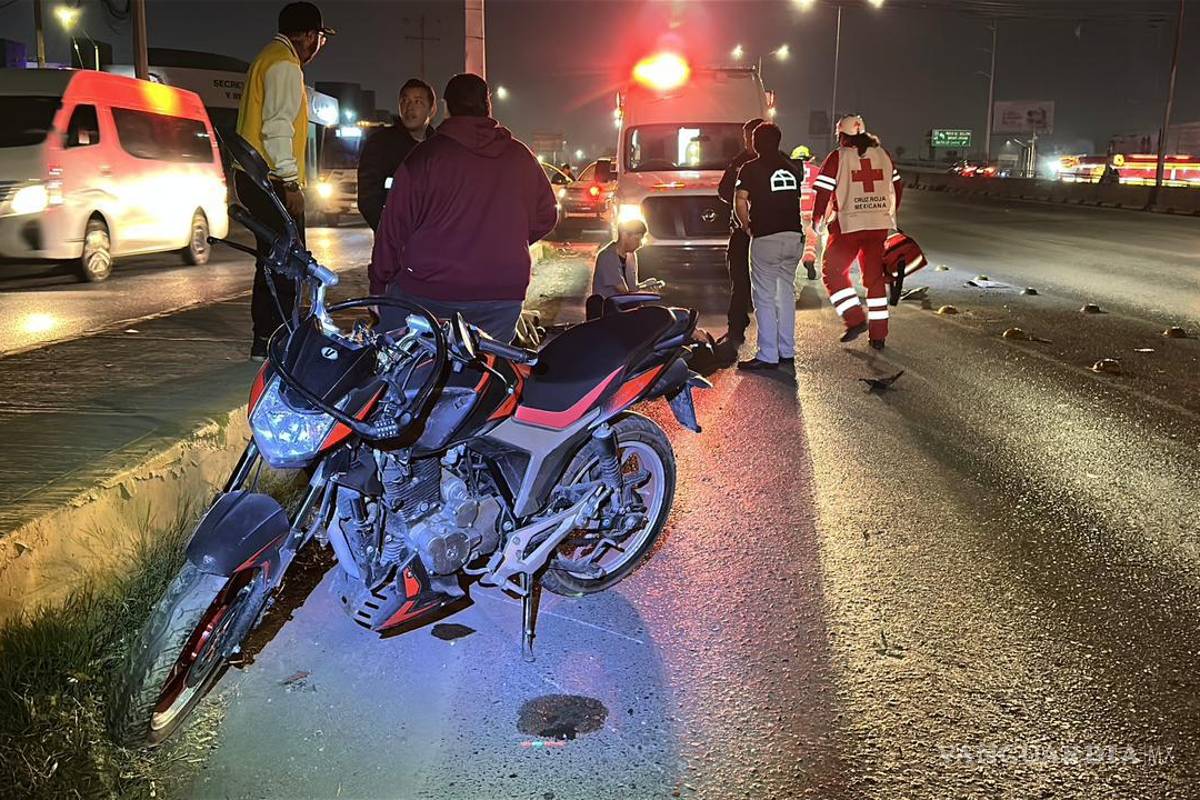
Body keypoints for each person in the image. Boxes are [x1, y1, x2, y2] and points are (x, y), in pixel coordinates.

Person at [370, 73, 557, 343]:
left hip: (428, 294)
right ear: (488, 105)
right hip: (502, 295)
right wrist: (506, 241)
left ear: (446, 107)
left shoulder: (425, 158)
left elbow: (393, 229)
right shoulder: (521, 157)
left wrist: (378, 286)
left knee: (412, 372)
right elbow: (547, 215)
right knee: (487, 374)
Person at [236, 1, 333, 360]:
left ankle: (266, 342)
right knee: (287, 264)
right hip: (271, 180)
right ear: (310, 36)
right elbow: (276, 128)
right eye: (321, 39)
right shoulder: (285, 66)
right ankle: (277, 342)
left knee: (273, 262)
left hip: (255, 176)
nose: (319, 47)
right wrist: (290, 183)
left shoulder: (266, 58)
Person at [812, 114, 904, 350]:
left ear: (841, 135)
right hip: (878, 225)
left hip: (848, 226)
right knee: (874, 279)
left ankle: (854, 318)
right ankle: (879, 335)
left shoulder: (838, 157)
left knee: (832, 272)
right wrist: (889, 212)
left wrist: (817, 218)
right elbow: (897, 185)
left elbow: (823, 191)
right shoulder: (883, 155)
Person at [732, 122, 805, 372]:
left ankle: (767, 354)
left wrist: (745, 225)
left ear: (755, 143)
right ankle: (786, 350)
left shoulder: (750, 168)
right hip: (794, 237)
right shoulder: (792, 168)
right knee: (785, 294)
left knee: (763, 297)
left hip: (767, 238)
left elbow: (740, 199)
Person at [357, 78, 437, 231]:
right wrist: (389, 230)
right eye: (404, 101)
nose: (409, 108)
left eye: (418, 102)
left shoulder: (439, 146)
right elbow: (368, 198)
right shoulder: (380, 144)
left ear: (432, 109)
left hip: (432, 240)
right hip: (395, 240)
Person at [717, 117, 763, 346]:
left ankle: (739, 329)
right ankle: (740, 328)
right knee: (745, 281)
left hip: (752, 232)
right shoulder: (781, 161)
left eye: (750, 137)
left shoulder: (745, 163)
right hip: (761, 232)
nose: (747, 142)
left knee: (746, 281)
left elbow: (726, 192)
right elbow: (724, 190)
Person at [586, 219, 663, 318]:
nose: (640, 245)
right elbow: (624, 292)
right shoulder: (607, 256)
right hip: (608, 314)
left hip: (625, 311)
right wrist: (649, 294)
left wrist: (645, 285)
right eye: (637, 239)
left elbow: (632, 289)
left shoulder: (631, 256)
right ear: (624, 235)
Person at [791, 144, 820, 281]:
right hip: (813, 211)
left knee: (793, 241)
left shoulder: (790, 171)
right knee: (810, 241)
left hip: (796, 211)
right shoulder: (818, 171)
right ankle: (809, 258)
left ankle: (790, 268)